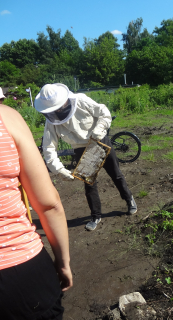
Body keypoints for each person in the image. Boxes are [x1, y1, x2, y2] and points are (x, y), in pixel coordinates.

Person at [0, 87, 73, 319]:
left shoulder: (88, 104)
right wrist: (63, 262)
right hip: (22, 272)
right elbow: (48, 203)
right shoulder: (8, 118)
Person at [34, 83, 137, 231]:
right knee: (89, 184)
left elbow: (103, 112)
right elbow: (49, 147)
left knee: (116, 174)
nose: (57, 111)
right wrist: (59, 169)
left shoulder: (81, 100)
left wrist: (100, 128)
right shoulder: (51, 120)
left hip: (99, 141)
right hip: (80, 149)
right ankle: (96, 215)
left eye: (58, 107)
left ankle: (129, 200)